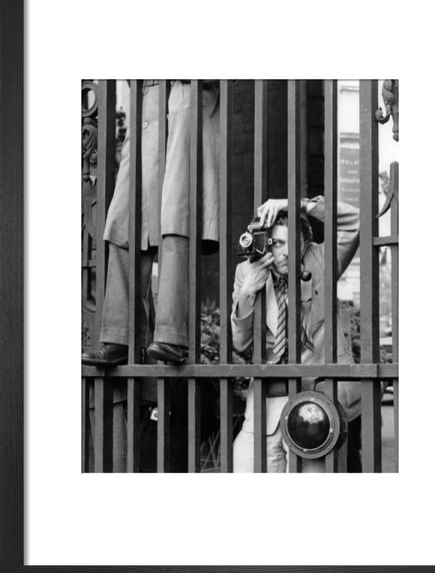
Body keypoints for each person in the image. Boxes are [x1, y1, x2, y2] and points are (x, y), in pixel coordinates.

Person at [82, 79, 220, 367]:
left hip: (186, 95)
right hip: (147, 103)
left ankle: (172, 335)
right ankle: (119, 338)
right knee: (124, 220)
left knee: (176, 215)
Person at [231, 196, 361, 472]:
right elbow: (240, 344)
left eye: (292, 242)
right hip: (266, 404)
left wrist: (294, 203)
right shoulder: (246, 271)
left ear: (305, 243)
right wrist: (246, 295)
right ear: (264, 242)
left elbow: (356, 222)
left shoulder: (321, 259)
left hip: (319, 401)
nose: (285, 252)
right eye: (277, 243)